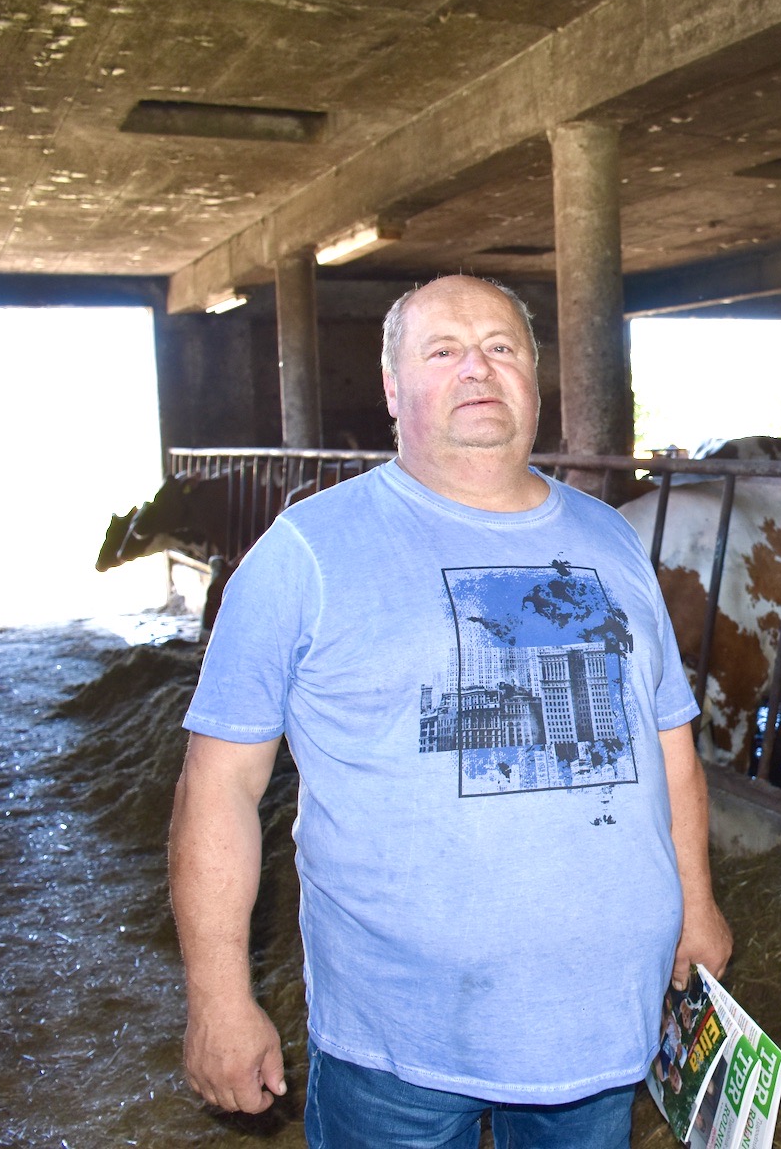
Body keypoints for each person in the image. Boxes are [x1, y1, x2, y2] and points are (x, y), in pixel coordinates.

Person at [168, 274, 733, 1149]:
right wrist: (217, 998)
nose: (478, 368)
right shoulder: (306, 553)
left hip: (598, 1018)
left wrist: (696, 905)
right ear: (393, 389)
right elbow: (219, 788)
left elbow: (668, 743)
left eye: (502, 348)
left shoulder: (611, 539)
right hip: (397, 1041)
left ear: (536, 383)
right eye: (444, 351)